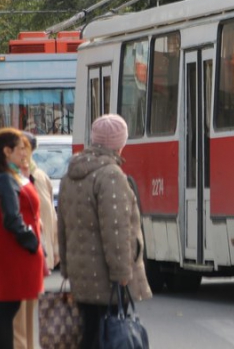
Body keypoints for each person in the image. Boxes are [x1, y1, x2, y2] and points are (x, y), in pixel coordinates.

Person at [58, 114, 152, 348]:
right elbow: (117, 231)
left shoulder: (71, 174)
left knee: (89, 336)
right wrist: (122, 273)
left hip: (81, 278)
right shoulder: (111, 176)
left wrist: (67, 269)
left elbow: (63, 225)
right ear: (119, 143)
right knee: (109, 337)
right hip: (106, 281)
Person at [0, 128, 44, 349]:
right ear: (7, 151)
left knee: (5, 309)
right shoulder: (5, 179)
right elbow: (12, 218)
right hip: (16, 253)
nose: (24, 153)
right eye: (20, 149)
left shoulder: (2, 176)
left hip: (10, 252)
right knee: (7, 310)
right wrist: (32, 242)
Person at [13, 132, 59, 349]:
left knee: (24, 316)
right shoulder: (28, 176)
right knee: (23, 315)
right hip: (29, 250)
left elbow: (46, 217)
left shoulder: (32, 177)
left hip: (32, 251)